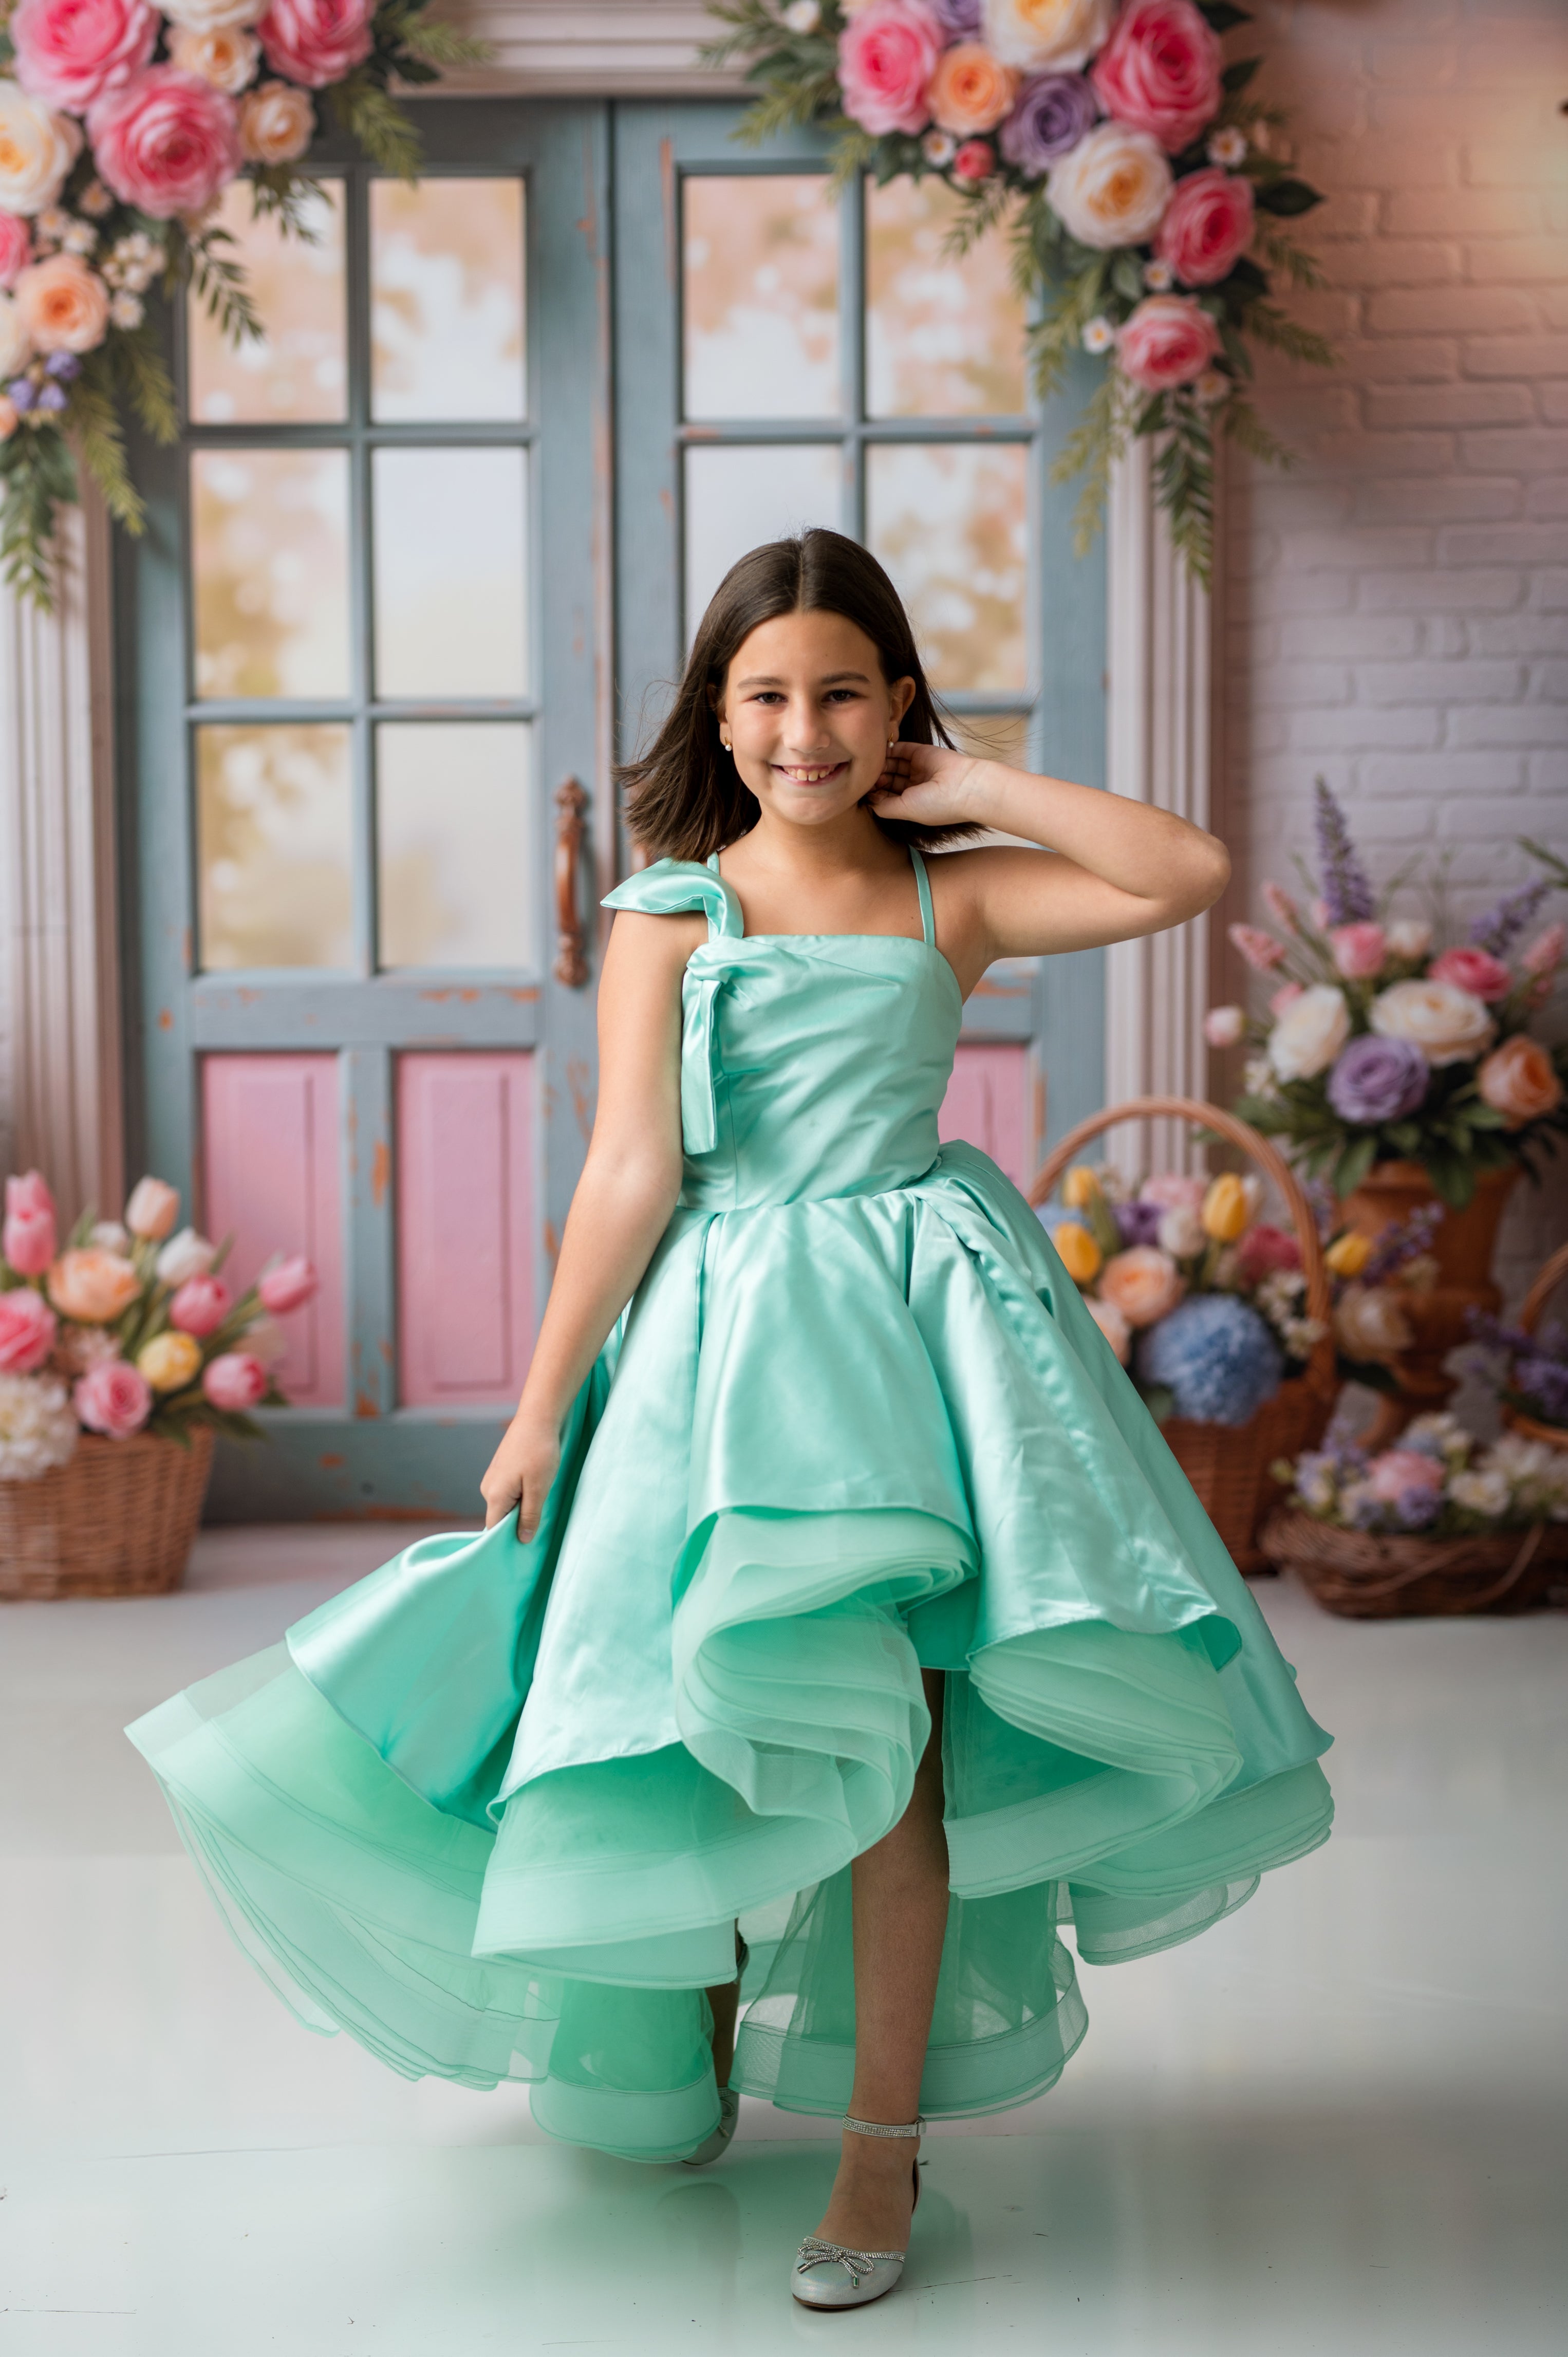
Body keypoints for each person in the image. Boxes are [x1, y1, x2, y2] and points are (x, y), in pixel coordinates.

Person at [128, 529, 1333, 2314]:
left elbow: (1185, 867)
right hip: (721, 1349)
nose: (801, 727)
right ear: (718, 711)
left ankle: (877, 2147)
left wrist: (977, 781)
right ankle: (686, 2027)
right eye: (761, 694)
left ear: (893, 703)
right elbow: (629, 1169)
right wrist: (541, 1406)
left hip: (919, 1353)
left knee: (901, 1751)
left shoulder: (954, 892)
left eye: (840, 689)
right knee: (699, 1702)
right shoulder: (672, 909)